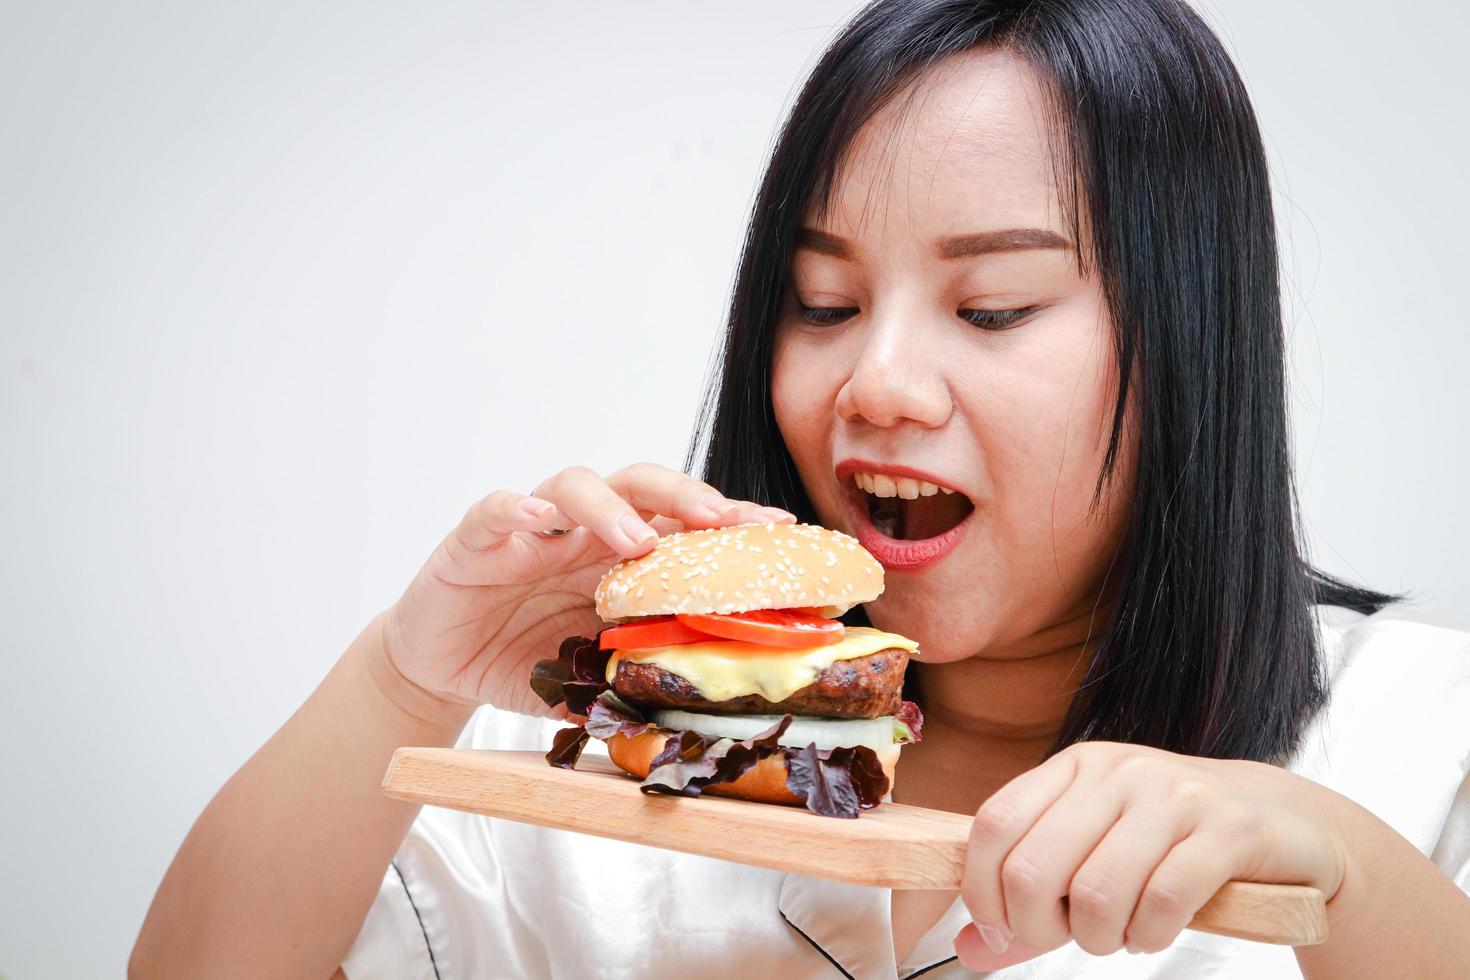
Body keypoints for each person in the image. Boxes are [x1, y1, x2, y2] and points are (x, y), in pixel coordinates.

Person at [129, 0, 1470, 977]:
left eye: (992, 307)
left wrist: (1336, 862)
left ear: (1193, 341)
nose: (873, 383)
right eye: (821, 300)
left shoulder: (1419, 741)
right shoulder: (596, 737)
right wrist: (400, 686)